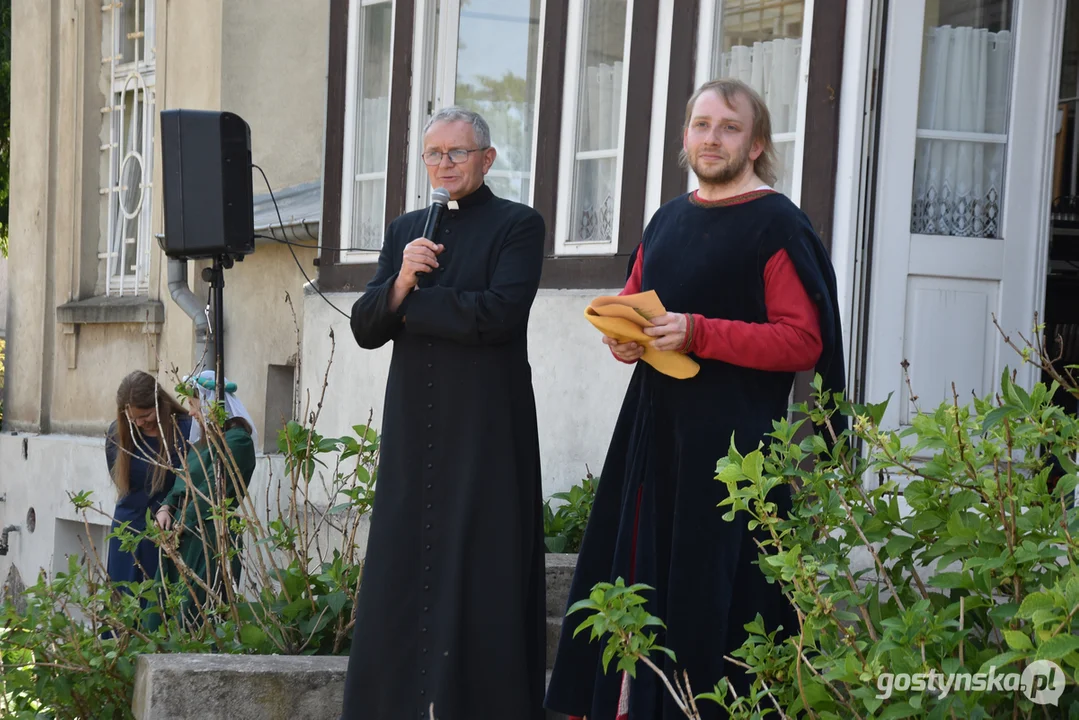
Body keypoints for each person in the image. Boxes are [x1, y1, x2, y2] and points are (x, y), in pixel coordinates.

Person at [545, 78, 846, 720]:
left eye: (729, 127)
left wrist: (699, 332)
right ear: (684, 138)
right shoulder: (668, 218)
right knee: (640, 577)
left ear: (757, 143)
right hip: (654, 434)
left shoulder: (776, 223)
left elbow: (801, 342)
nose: (712, 138)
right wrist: (624, 340)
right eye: (701, 125)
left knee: (718, 597)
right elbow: (633, 298)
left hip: (733, 450)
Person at [341, 107, 547, 719]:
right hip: (415, 432)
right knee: (402, 573)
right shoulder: (409, 229)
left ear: (486, 159)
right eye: (434, 154)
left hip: (486, 430)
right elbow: (365, 326)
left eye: (458, 153)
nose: (445, 165)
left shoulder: (518, 225)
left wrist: (411, 307)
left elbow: (497, 315)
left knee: (484, 568)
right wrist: (403, 282)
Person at [151, 371, 257, 629]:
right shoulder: (205, 441)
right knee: (167, 614)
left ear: (210, 402)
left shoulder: (237, 441)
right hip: (184, 536)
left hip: (209, 538)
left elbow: (211, 492)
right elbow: (183, 482)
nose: (191, 413)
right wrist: (166, 507)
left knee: (195, 616)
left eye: (193, 404)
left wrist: (180, 527)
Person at [105, 370, 193, 587]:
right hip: (128, 526)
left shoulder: (185, 430)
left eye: (145, 416)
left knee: (159, 605)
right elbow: (118, 477)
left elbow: (191, 482)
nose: (139, 424)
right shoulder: (118, 433)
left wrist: (169, 508)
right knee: (125, 602)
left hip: (169, 529)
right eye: (132, 418)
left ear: (159, 404)